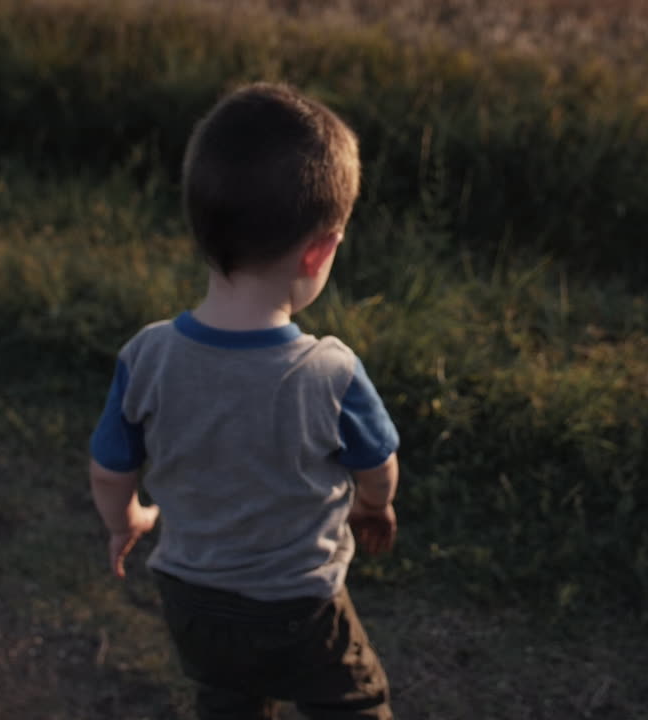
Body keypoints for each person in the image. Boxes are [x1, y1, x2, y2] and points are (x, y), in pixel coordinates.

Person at [87, 82, 399, 720]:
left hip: (191, 600)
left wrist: (127, 520)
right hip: (297, 605)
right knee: (356, 703)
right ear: (321, 250)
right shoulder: (331, 372)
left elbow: (110, 468)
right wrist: (374, 505)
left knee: (229, 700)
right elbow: (379, 464)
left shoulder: (145, 356)